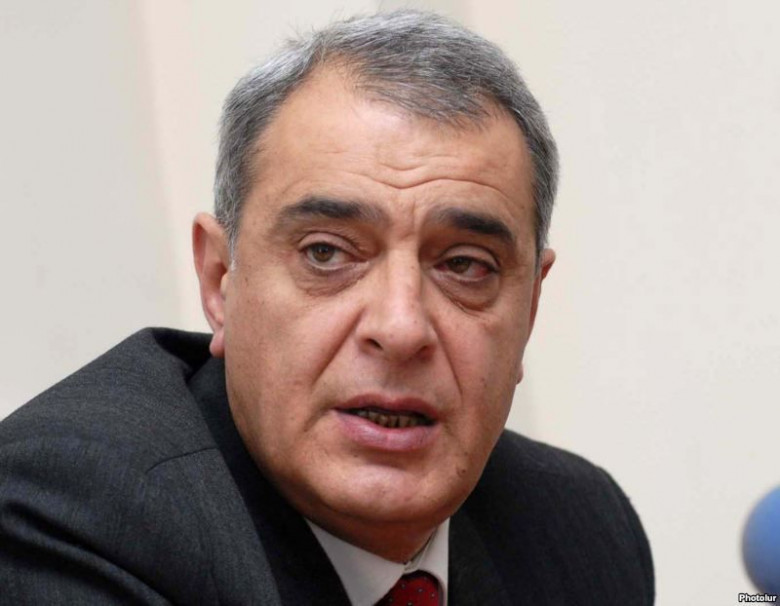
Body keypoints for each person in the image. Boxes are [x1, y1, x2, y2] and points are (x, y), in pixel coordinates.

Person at [0, 10, 654, 605]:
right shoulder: (75, 512)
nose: (401, 328)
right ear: (221, 280)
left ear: (530, 308)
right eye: (326, 253)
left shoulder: (579, 528)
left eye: (464, 266)